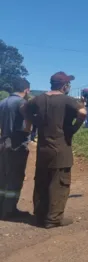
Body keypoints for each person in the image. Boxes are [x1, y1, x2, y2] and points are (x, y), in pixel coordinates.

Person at [21, 71, 87, 228]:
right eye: (68, 84)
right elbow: (83, 112)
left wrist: (34, 123)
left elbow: (24, 109)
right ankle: (54, 219)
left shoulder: (39, 99)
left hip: (43, 149)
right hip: (61, 148)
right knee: (59, 184)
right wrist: (72, 129)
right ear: (64, 86)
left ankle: (40, 215)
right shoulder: (67, 100)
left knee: (42, 182)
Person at [0, 77, 32, 220]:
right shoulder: (22, 103)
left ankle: (2, 206)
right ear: (26, 90)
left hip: (3, 140)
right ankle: (9, 210)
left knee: (3, 175)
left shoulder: (2, 102)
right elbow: (27, 124)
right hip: (16, 143)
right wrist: (30, 132)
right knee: (15, 176)